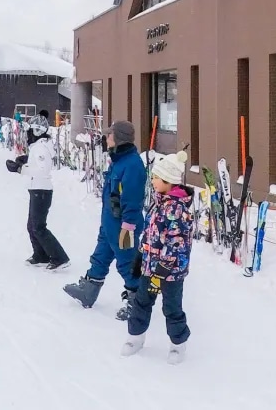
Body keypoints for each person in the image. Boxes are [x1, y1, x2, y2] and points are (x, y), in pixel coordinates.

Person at [64, 120, 147, 320]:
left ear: (118, 138)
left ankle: (137, 302)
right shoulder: (119, 160)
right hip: (110, 222)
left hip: (123, 225)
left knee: (127, 263)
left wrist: (128, 227)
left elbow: (132, 198)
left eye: (110, 135)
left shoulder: (133, 165)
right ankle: (89, 291)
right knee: (101, 255)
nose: (107, 138)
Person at [121, 150, 193, 365]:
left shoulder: (176, 209)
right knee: (142, 301)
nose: (152, 180)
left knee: (171, 307)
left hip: (170, 273)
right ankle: (135, 338)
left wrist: (163, 267)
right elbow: (150, 234)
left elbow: (177, 243)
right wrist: (140, 255)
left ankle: (178, 345)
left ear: (169, 181)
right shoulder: (157, 203)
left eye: (156, 178)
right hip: (150, 268)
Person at [23, 114, 70, 270]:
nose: (28, 134)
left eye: (31, 131)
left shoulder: (41, 147)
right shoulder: (38, 146)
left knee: (38, 227)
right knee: (32, 226)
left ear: (37, 131)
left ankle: (60, 258)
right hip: (37, 188)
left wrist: (21, 169)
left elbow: (43, 170)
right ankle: (40, 255)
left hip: (41, 190)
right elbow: (37, 163)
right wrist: (25, 160)